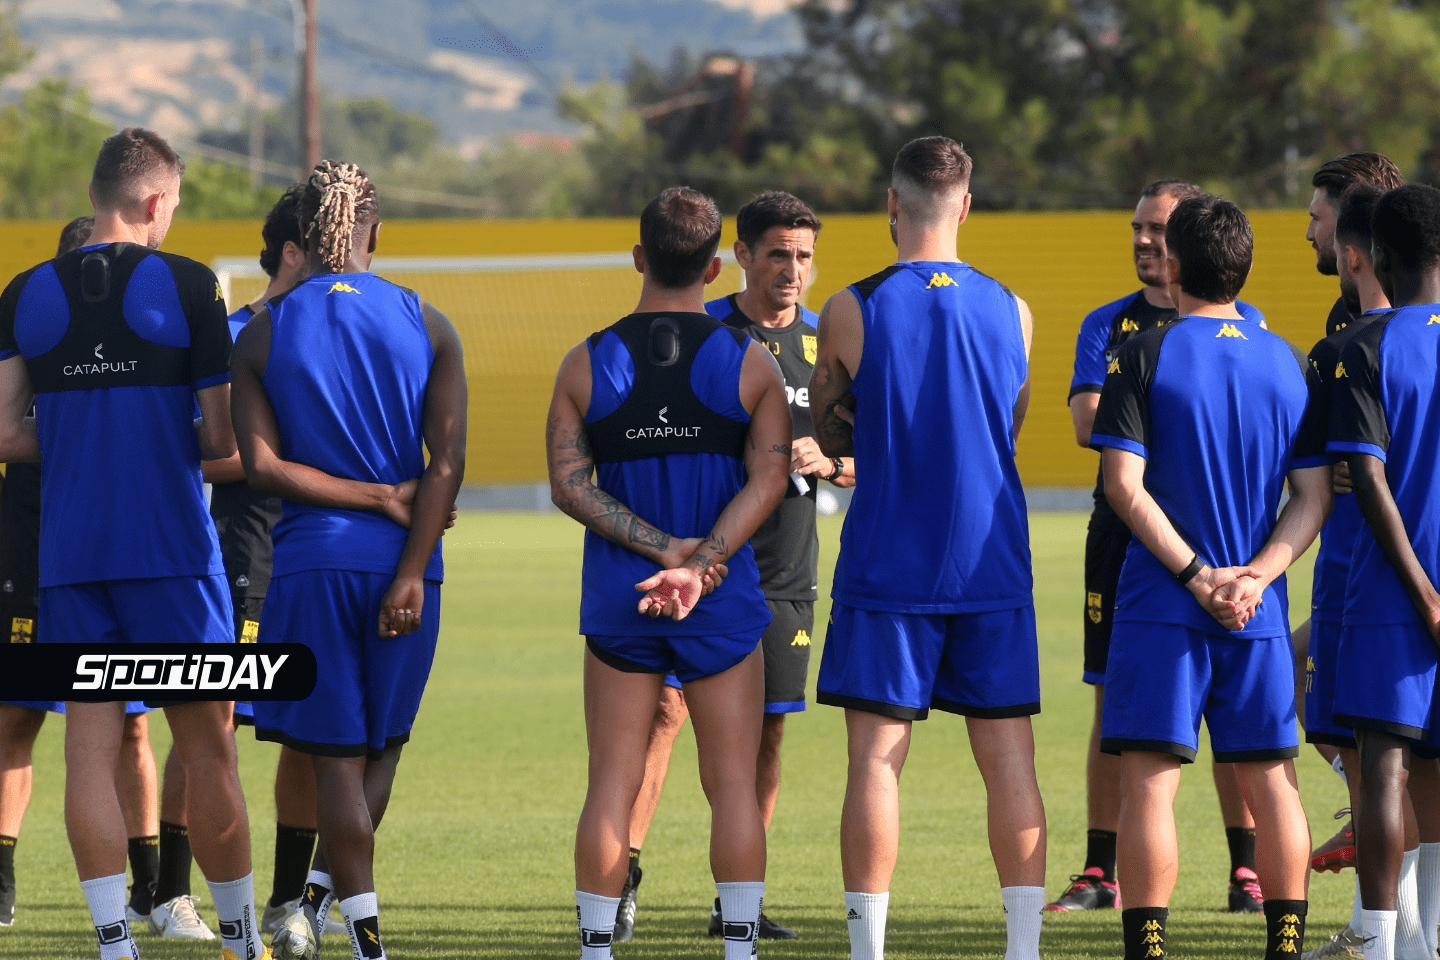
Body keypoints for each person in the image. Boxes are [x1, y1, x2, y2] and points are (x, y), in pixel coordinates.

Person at [0, 127, 265, 960]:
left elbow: (5, 434)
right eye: (172, 206)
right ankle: (242, 939)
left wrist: (85, 436)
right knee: (209, 750)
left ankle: (115, 945)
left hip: (72, 561)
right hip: (174, 557)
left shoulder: (24, 292)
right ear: (154, 201)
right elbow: (220, 440)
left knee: (88, 754)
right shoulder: (189, 285)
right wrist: (147, 436)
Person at [810, 136, 1046, 960]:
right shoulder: (1014, 309)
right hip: (992, 562)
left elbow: (827, 428)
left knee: (876, 761)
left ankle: (868, 952)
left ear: (891, 204)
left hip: (889, 561)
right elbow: (1008, 426)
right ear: (966, 206)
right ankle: (1024, 950)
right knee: (1010, 760)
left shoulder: (852, 307)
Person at [546, 185, 790, 960]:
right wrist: (703, 561)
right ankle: (740, 949)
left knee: (611, 783)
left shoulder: (585, 362)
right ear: (716, 268)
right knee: (734, 785)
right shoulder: (750, 363)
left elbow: (569, 485)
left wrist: (660, 551)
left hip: (624, 600)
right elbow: (771, 480)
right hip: (719, 603)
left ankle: (595, 951)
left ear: (638, 258)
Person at [231, 160, 466, 960]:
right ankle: (337, 920)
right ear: (376, 233)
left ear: (302, 235)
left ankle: (348, 930)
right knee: (382, 749)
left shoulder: (263, 330)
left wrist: (368, 498)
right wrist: (411, 569)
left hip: (309, 566)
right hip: (407, 565)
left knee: (334, 760)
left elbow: (262, 468)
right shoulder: (427, 321)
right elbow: (446, 464)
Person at [1092, 194, 1331, 960]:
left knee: (1150, 785)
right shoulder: (1287, 360)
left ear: (1175, 262)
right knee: (1273, 781)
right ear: (1245, 266)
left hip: (1162, 605)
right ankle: (1285, 948)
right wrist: (1255, 578)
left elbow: (1123, 488)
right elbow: (1313, 497)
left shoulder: (1143, 354)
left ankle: (1148, 950)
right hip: (1257, 611)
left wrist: (1199, 577)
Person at [615, 189, 852, 944]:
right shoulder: (707, 332)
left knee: (769, 734)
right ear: (741, 256)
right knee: (665, 715)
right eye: (778, 254)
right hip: (703, 566)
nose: (793, 270)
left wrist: (830, 462)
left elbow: (876, 455)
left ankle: (738, 898)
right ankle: (621, 876)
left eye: (805, 256)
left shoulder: (826, 347)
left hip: (786, 573)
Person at [1061, 180, 1268, 914]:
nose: (1146, 241)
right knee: (1114, 700)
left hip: (1221, 542)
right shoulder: (1109, 325)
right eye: (1137, 228)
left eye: (1159, 229)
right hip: (1125, 538)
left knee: (1234, 712)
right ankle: (1100, 870)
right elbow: (1087, 424)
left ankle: (1247, 872)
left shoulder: (1247, 325)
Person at [146, 185, 334, 943]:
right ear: (292, 253)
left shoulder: (329, 331)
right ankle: (168, 894)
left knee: (308, 728)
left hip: (315, 557)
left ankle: (289, 902)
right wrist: (275, 464)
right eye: (325, 250)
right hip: (238, 552)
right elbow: (197, 452)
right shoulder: (232, 335)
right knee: (208, 717)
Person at [0, 215, 160, 932]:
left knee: (131, 725)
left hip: (119, 550)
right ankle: (2, 878)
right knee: (17, 715)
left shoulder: (136, 344)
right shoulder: (27, 333)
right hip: (32, 548)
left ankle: (153, 888)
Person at [1327, 182, 1440, 960]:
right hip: (1411, 596)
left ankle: (1380, 946)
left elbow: (1366, 479)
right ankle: (1431, 938)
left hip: (1393, 597)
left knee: (1383, 770)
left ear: (1381, 257)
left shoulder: (1365, 347)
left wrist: (1426, 594)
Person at [1298, 151, 1405, 884]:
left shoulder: (1397, 325)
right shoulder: (1344, 320)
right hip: (1354, 556)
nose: (1312, 234)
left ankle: (1392, 911)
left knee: (1396, 752)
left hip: (1385, 563)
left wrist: (1366, 465)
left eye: (1319, 219)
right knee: (1295, 676)